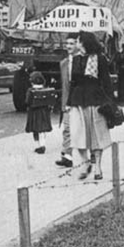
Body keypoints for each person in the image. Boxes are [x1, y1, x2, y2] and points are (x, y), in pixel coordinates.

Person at [68, 31, 113, 181]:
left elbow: (106, 81)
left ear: (84, 43)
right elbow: (72, 83)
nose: (76, 43)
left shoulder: (100, 59)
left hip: (96, 100)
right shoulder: (74, 60)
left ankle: (98, 167)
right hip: (78, 101)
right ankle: (86, 162)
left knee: (96, 135)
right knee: (78, 135)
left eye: (78, 41)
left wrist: (110, 102)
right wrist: (68, 103)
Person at [56, 33, 79, 168]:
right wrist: (64, 104)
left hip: (80, 101)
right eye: (67, 44)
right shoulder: (63, 63)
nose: (69, 46)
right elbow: (64, 86)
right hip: (67, 103)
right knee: (67, 129)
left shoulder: (83, 60)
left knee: (83, 130)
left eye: (72, 43)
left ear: (78, 44)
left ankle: (92, 155)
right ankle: (67, 156)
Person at [25, 71, 54, 154]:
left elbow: (27, 101)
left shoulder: (30, 91)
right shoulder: (46, 90)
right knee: (43, 130)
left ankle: (38, 146)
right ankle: (43, 144)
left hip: (34, 113)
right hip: (44, 113)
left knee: (36, 130)